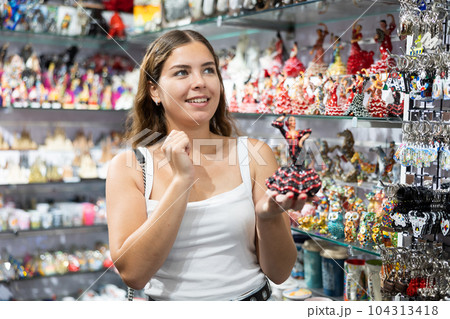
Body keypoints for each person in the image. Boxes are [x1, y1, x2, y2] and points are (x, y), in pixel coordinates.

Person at [106, 30, 302, 301]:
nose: (200, 82)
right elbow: (133, 273)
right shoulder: (130, 167)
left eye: (208, 70)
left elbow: (280, 272)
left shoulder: (255, 155)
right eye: (182, 72)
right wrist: (181, 182)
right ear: (155, 90)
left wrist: (268, 218)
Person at [266, 115, 322, 197]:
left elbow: (308, 131)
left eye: (294, 120)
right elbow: (275, 123)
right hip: (291, 153)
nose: (293, 122)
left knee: (300, 168)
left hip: (300, 152)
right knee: (294, 168)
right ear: (287, 123)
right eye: (291, 120)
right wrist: (284, 115)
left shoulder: (298, 132)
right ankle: (295, 186)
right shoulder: (286, 133)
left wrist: (302, 140)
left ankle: (303, 186)